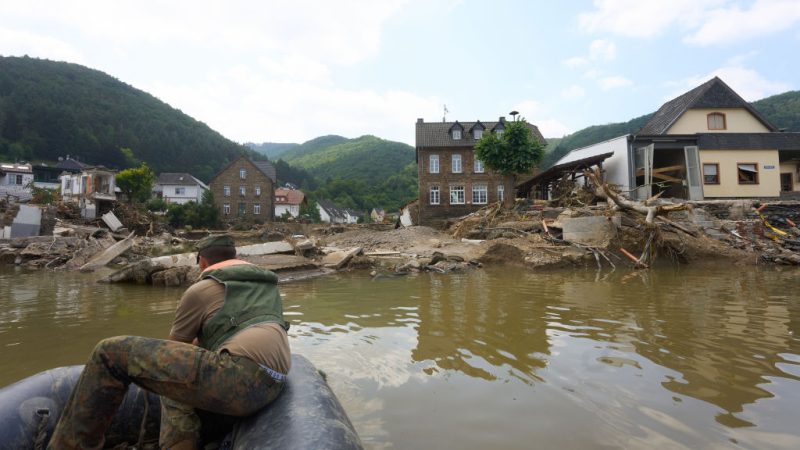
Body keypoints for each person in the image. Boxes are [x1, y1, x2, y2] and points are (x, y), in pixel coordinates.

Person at [48, 234, 291, 450]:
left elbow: (173, 351)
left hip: (238, 379)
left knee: (108, 352)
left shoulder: (202, 289)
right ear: (235, 257)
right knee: (182, 375)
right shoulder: (266, 287)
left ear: (202, 262)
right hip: (273, 384)